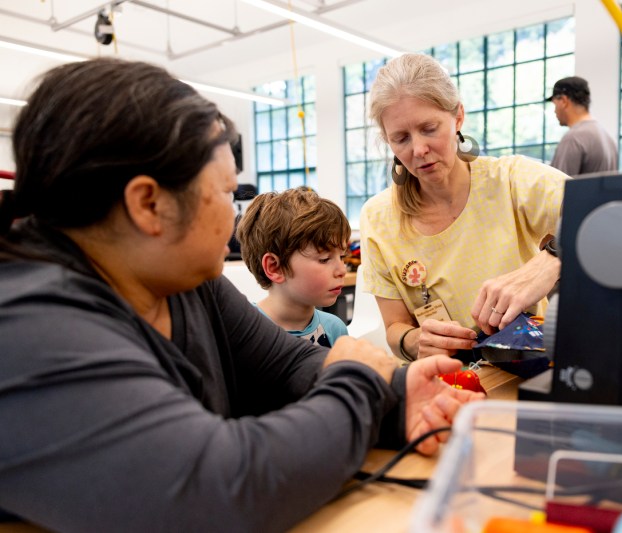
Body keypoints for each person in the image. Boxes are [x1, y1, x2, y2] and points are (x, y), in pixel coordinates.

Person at [0, 58, 483, 532]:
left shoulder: (183, 281)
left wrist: (397, 397)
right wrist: (360, 380)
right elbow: (217, 493)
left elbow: (285, 367)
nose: (234, 218)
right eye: (227, 195)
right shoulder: (28, 329)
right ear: (149, 204)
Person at [359, 53, 568, 362]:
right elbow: (394, 327)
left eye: (429, 128)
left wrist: (551, 261)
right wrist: (416, 341)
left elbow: (609, 212)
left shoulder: (511, 181)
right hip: (445, 383)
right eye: (400, 138)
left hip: (523, 372)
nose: (418, 150)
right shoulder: (378, 219)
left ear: (458, 117)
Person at [236, 188, 349, 347]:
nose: (342, 270)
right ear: (275, 267)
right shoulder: (245, 331)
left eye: (342, 257)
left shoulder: (335, 329)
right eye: (324, 259)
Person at [547, 76, 618, 177]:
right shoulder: (607, 137)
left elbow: (557, 187)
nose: (554, 111)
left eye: (555, 104)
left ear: (563, 101)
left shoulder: (574, 138)